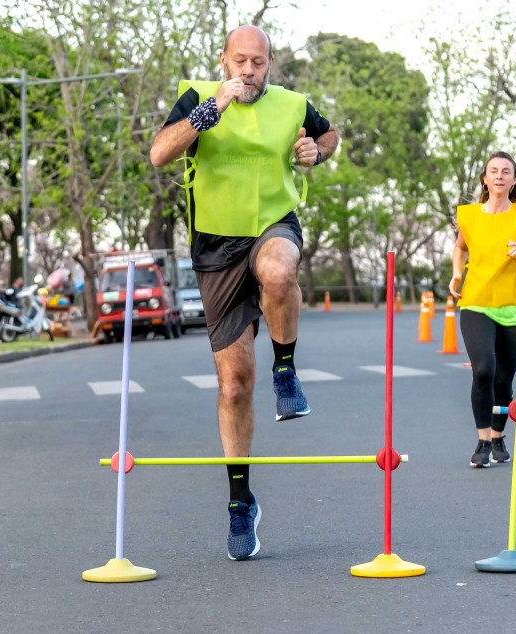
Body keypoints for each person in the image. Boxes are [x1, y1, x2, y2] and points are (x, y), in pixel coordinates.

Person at [149, 25, 340, 561]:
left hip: (273, 224)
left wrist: (314, 151)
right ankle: (240, 503)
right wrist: (212, 110)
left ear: (270, 63)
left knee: (280, 273)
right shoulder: (197, 95)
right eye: (240, 62)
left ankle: (287, 369)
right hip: (215, 247)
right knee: (234, 387)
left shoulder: (292, 103)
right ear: (224, 61)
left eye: (258, 62)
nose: (249, 71)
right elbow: (160, 153)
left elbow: (330, 135)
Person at [448, 151, 516, 468]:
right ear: (484, 178)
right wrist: (456, 272)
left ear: (514, 180)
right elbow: (460, 247)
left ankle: (498, 435)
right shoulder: (469, 215)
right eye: (494, 170)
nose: (500, 175)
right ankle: (482, 441)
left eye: (507, 171)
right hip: (477, 301)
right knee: (484, 371)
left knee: (504, 379)